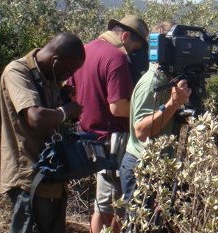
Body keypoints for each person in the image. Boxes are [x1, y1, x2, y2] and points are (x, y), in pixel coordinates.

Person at [67, 15, 148, 233]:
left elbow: (69, 93)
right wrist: (145, 113)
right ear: (125, 36)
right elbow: (118, 107)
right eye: (135, 47)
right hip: (111, 141)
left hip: (87, 138)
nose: (133, 53)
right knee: (113, 209)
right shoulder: (116, 57)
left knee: (101, 205)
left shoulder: (84, 50)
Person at [0, 32, 85, 233]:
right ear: (55, 61)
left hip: (53, 180)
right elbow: (36, 118)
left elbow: (52, 120)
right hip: (28, 180)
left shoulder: (50, 77)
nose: (68, 76)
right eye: (69, 70)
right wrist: (66, 111)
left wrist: (63, 101)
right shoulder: (18, 72)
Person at [119, 21, 190, 229]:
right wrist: (173, 103)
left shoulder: (170, 80)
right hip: (141, 167)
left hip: (159, 166)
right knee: (138, 227)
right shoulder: (153, 83)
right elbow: (141, 131)